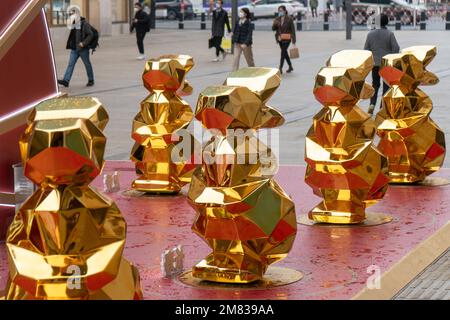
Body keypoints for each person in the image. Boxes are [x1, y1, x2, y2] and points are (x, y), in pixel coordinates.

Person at [364, 14, 400, 115]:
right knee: (386, 87)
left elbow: (366, 49)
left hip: (375, 64)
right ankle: (382, 107)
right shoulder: (390, 34)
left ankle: (372, 104)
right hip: (386, 64)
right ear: (386, 22)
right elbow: (396, 48)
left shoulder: (370, 34)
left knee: (375, 85)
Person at [58, 5, 94, 87]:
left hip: (83, 49)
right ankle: (66, 80)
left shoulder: (84, 24)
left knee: (87, 64)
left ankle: (91, 80)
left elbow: (90, 35)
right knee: (70, 64)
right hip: (74, 49)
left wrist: (83, 43)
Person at [272, 6, 296, 74]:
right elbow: (273, 29)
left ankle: (280, 67)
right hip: (279, 39)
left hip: (287, 38)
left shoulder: (289, 19)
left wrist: (293, 42)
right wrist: (275, 24)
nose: (280, 12)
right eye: (279, 10)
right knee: (284, 52)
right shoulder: (277, 19)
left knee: (283, 52)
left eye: (281, 10)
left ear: (285, 11)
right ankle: (290, 66)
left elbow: (293, 30)